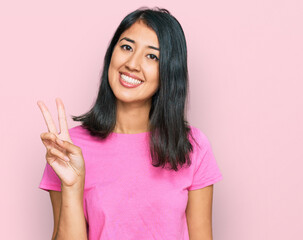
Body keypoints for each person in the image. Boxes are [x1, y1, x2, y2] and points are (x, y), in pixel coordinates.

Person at [37, 7, 223, 240]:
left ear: (168, 71)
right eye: (126, 47)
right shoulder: (69, 147)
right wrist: (73, 187)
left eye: (152, 56)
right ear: (111, 54)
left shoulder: (193, 146)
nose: (132, 64)